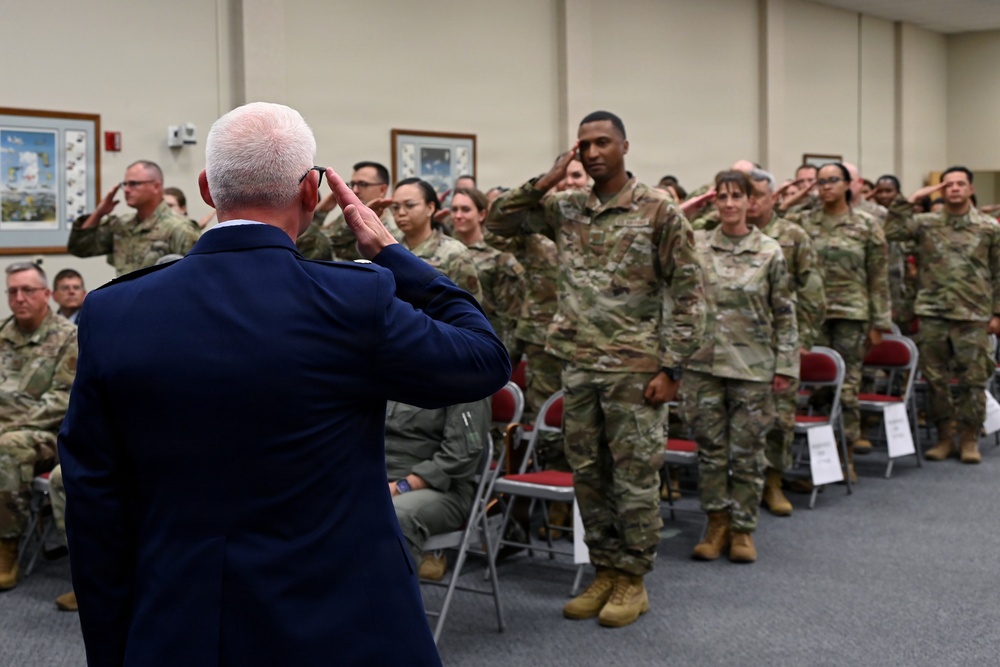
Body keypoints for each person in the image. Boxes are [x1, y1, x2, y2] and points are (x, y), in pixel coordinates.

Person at [58, 101, 511, 667]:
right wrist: (395, 257)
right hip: (344, 621)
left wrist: (111, 649)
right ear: (310, 193)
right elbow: (484, 359)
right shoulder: (353, 301)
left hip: (182, 617)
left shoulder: (113, 313)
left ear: (206, 189)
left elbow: (93, 501)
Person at [488, 110, 705, 628]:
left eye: (603, 142)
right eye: (584, 145)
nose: (592, 152)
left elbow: (689, 292)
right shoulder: (565, 208)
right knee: (589, 475)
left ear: (625, 146)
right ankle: (605, 569)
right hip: (580, 364)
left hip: (636, 370)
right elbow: (499, 222)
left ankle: (633, 577)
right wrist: (545, 180)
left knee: (634, 477)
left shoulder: (658, 210)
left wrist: (673, 368)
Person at [685, 170, 798, 562]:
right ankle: (716, 523)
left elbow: (784, 312)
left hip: (752, 366)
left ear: (752, 202)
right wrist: (695, 203)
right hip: (703, 365)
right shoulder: (698, 244)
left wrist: (786, 366)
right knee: (711, 450)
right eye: (723, 196)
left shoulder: (769, 250)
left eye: (738, 196)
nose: (730, 204)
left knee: (747, 452)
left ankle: (743, 529)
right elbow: (661, 231)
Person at [884, 167, 1000, 464]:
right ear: (941, 190)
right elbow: (892, 231)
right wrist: (910, 199)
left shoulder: (988, 227)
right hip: (933, 311)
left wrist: (997, 313)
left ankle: (969, 437)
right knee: (936, 380)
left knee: (973, 379)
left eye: (961, 184)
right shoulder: (926, 223)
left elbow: (999, 272)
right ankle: (945, 436)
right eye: (948, 185)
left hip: (972, 313)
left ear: (971, 189)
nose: (955, 189)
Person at [785, 162, 892, 482]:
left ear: (848, 184)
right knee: (816, 387)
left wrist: (880, 322)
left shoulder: (867, 224)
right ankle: (820, 461)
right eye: (821, 182)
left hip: (851, 314)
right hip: (812, 315)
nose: (826, 186)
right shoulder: (803, 221)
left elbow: (878, 275)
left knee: (847, 387)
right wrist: (795, 196)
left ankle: (846, 457)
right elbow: (771, 220)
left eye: (833, 180)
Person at [747, 169, 826, 516]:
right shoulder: (725, 234)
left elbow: (812, 292)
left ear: (774, 198)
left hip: (780, 341)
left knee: (779, 419)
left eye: (758, 196)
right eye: (746, 195)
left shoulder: (793, 236)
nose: (751, 203)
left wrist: (802, 340)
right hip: (737, 344)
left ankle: (774, 482)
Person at [0, 261, 77, 590]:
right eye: (13, 291)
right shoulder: (3, 333)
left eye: (28, 290)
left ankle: (6, 548)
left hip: (48, 436)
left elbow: (62, 399)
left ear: (46, 294)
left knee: (8, 446)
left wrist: (8, 424)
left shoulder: (68, 337)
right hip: (8, 428)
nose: (19, 298)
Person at [386, 397, 490, 580]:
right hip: (380, 475)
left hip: (443, 487)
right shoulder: (385, 378)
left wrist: (402, 486)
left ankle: (389, 597)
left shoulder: (464, 383)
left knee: (393, 515)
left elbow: (461, 455)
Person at [67, 160, 200, 275]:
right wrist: (99, 212)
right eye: (125, 184)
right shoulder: (122, 225)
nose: (126, 190)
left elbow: (197, 275)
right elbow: (79, 248)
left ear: (156, 186)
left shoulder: (180, 228)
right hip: (125, 296)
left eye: (133, 184)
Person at [451, 187, 524, 355]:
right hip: (453, 339)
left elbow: (510, 314)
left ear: (482, 214)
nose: (458, 215)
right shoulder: (446, 250)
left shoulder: (498, 255)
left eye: (465, 209)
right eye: (454, 209)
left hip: (488, 342)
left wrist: (506, 355)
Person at [387, 177, 483, 301]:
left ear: (430, 208)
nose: (401, 213)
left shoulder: (454, 252)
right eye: (395, 207)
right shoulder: (389, 247)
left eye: (409, 205)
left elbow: (470, 306)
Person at [317, 160, 402, 260]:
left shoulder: (396, 225)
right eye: (353, 184)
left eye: (363, 184)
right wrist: (320, 212)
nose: (355, 190)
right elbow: (316, 250)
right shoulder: (346, 217)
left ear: (382, 190)